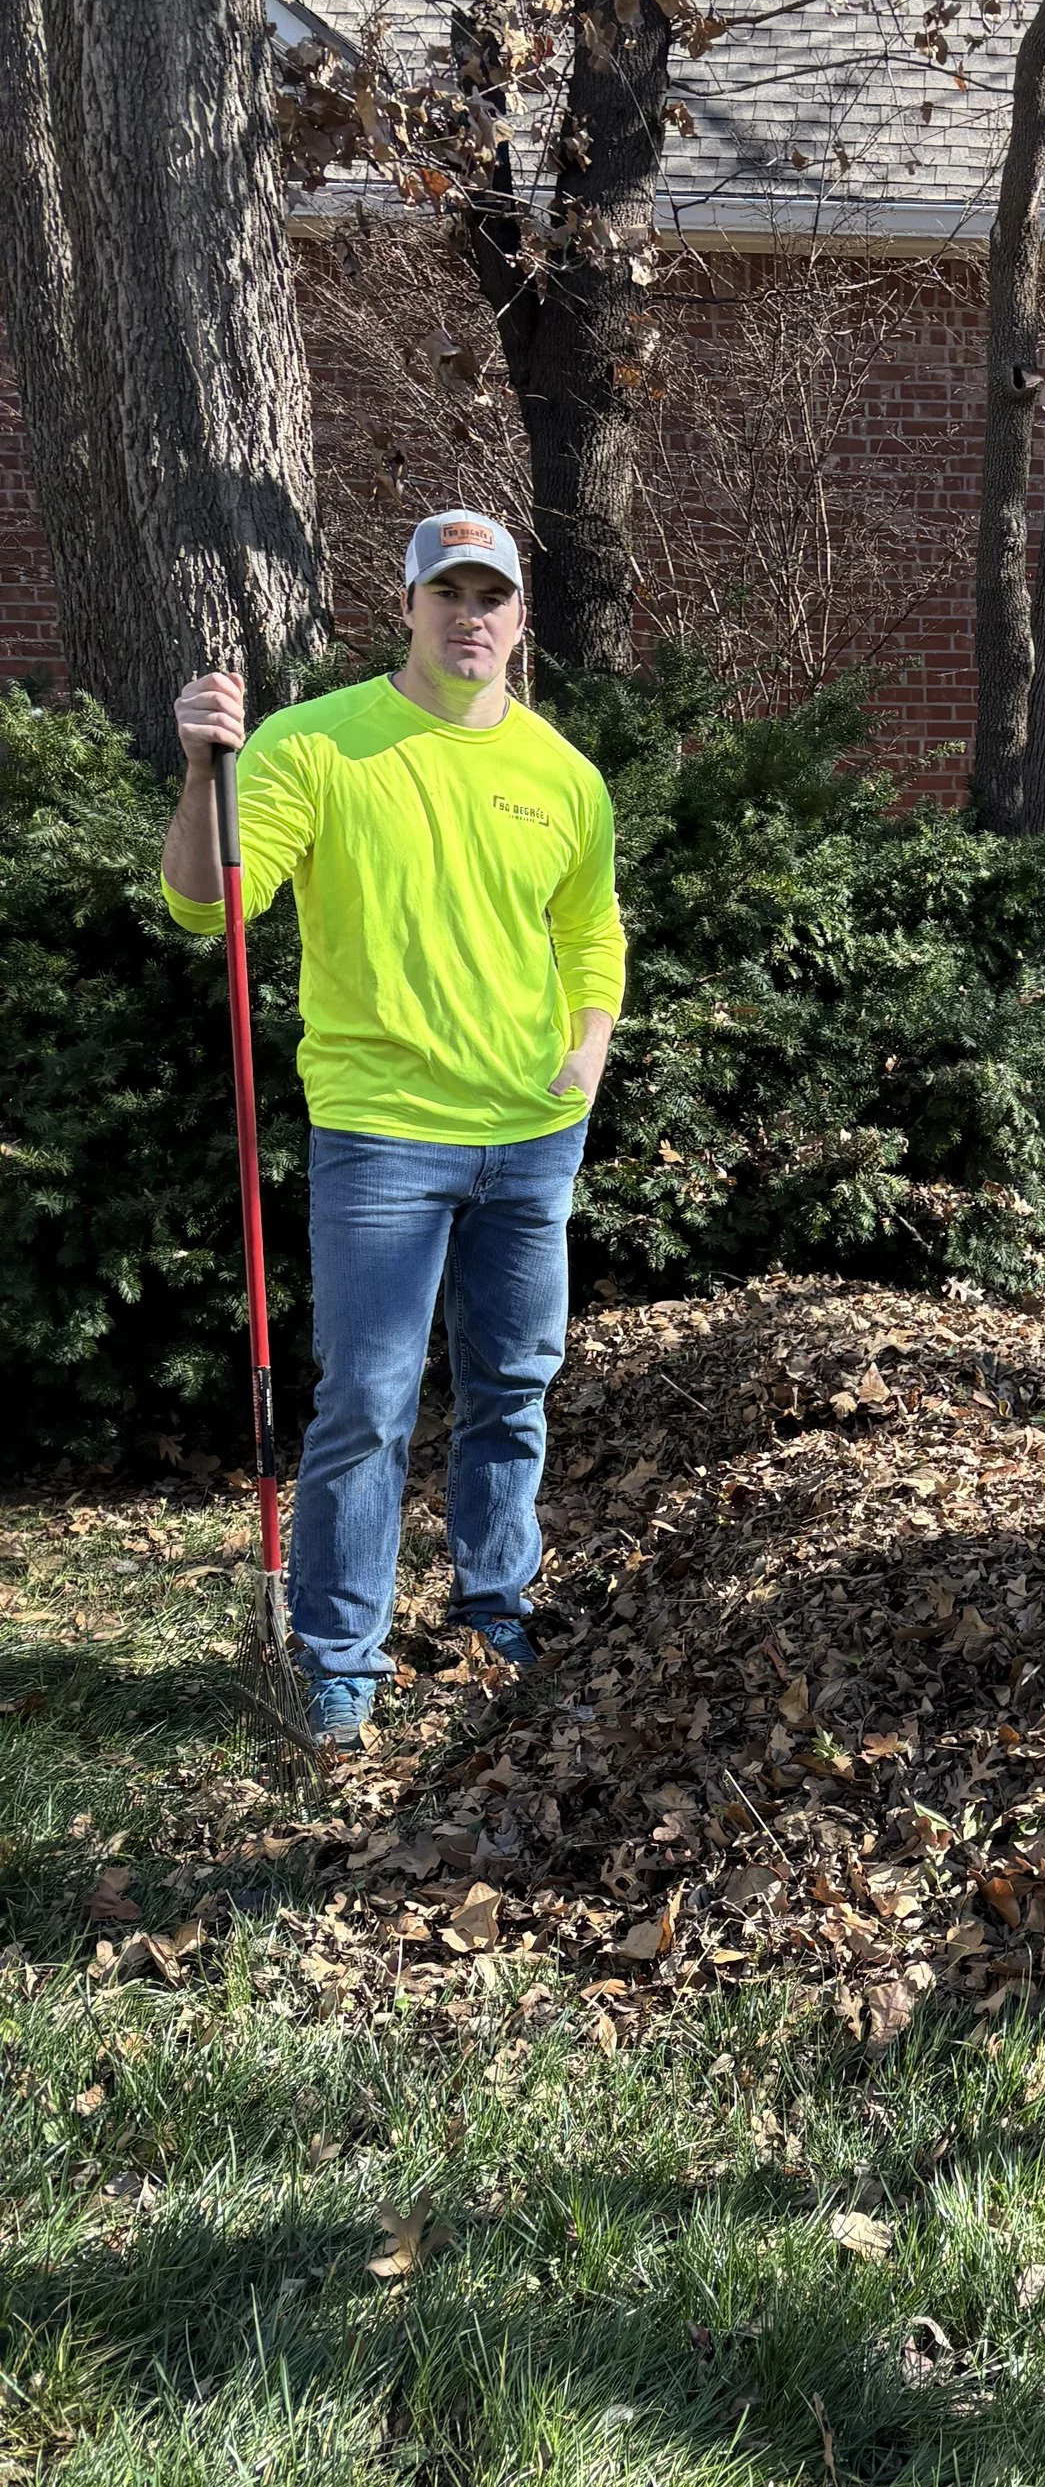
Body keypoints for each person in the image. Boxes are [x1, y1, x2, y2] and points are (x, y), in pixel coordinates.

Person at [161, 511, 626, 1742]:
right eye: (448, 592)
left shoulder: (563, 775)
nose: (470, 615)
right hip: (383, 1134)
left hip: (532, 1134)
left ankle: (494, 1609)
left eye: (493, 597)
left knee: (512, 1388)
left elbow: (592, 932)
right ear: (408, 605)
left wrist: (588, 1047)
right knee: (367, 1398)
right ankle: (340, 1661)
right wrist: (206, 768)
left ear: (522, 621)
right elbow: (210, 907)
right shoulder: (316, 746)